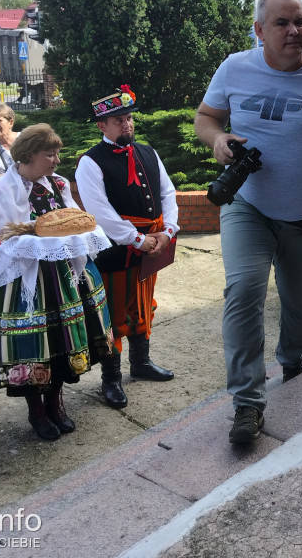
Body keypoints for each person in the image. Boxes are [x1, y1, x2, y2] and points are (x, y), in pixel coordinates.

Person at [194, 0, 302, 445]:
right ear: (260, 30)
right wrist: (218, 140)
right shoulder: (235, 67)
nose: (294, 31)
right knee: (243, 288)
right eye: (282, 23)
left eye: (300, 21)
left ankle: (294, 357)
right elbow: (205, 118)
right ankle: (247, 403)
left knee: (298, 301)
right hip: (249, 206)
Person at [0, 124, 114, 441]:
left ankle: (55, 402)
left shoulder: (57, 184)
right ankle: (37, 411)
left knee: (60, 343)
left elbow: (71, 220)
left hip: (61, 277)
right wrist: (28, 243)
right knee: (31, 346)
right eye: (50, 154)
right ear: (28, 156)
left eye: (57, 153)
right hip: (21, 283)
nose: (57, 160)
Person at [76, 85, 179, 410]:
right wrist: (136, 239)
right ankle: (111, 379)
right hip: (115, 252)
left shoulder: (148, 151)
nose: (127, 125)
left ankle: (141, 363)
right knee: (114, 315)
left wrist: (168, 230)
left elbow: (169, 193)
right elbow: (100, 213)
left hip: (152, 246)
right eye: (119, 120)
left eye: (129, 118)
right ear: (102, 126)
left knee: (144, 305)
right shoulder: (90, 162)